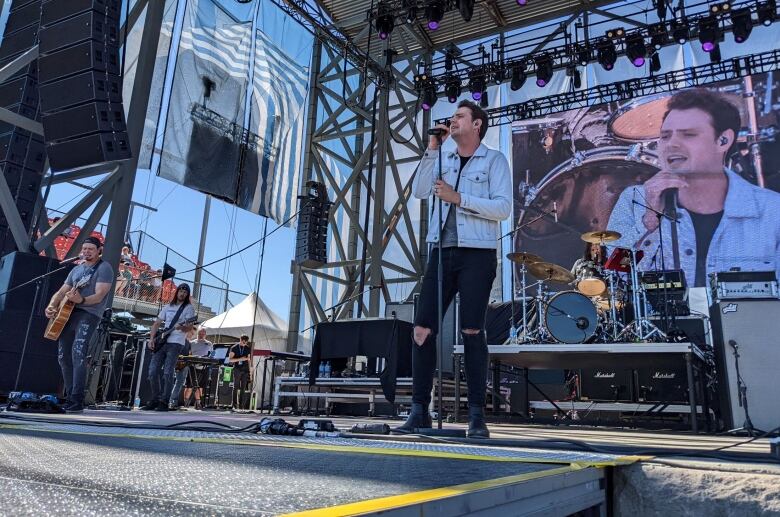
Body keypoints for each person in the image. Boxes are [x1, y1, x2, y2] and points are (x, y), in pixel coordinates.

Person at [397, 100, 511, 438]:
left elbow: (503, 208)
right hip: (441, 252)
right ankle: (420, 410)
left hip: (477, 253)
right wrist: (433, 147)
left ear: (477, 125)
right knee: (421, 330)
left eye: (460, 116)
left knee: (472, 331)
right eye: (453, 117)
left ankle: (477, 414)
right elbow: (419, 191)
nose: (453, 120)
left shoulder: (494, 160)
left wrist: (459, 198)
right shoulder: (443, 157)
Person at [607, 89, 780, 288]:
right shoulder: (635, 200)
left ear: (723, 140)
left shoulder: (772, 210)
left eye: (688, 135)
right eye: (665, 136)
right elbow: (613, 280)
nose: (672, 144)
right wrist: (648, 222)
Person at [44, 237, 114, 413]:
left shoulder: (104, 268)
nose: (86, 251)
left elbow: (99, 296)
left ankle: (77, 399)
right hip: (68, 313)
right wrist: (52, 305)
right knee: (63, 356)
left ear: (99, 250)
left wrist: (81, 299)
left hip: (89, 314)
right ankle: (68, 397)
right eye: (84, 248)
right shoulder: (76, 269)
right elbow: (61, 292)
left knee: (78, 353)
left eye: (91, 248)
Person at [143, 283, 196, 411]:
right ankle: (155, 398)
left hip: (176, 342)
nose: (182, 293)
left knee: (167, 372)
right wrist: (151, 339)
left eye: (185, 292)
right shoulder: (168, 306)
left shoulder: (189, 308)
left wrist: (182, 327)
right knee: (152, 372)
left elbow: (190, 328)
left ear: (187, 294)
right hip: (162, 341)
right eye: (180, 291)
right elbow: (156, 324)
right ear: (177, 292)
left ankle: (164, 400)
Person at [170, 327, 214, 409]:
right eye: (199, 334)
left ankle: (198, 403)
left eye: (203, 334)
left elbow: (211, 354)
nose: (201, 335)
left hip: (204, 366)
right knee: (188, 385)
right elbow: (187, 353)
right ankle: (184, 403)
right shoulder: (191, 343)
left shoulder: (209, 343)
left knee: (200, 385)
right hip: (191, 366)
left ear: (205, 335)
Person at [228, 335, 252, 410]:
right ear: (240, 339)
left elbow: (248, 359)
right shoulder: (234, 348)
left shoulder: (247, 348)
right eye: (243, 341)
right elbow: (230, 360)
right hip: (237, 369)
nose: (244, 343)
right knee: (235, 387)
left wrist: (250, 371)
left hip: (245, 370)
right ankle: (235, 405)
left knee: (243, 388)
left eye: (246, 342)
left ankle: (242, 406)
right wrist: (240, 359)